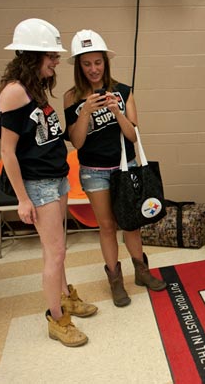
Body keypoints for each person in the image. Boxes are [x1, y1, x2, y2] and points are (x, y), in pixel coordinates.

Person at [0, 18, 97, 347]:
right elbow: (7, 152)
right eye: (51, 54)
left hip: (56, 177)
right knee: (55, 253)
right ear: (34, 54)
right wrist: (23, 199)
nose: (55, 60)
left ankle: (64, 296)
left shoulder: (35, 86)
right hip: (38, 185)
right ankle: (56, 318)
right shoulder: (14, 92)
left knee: (57, 251)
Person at [63, 29, 166, 308]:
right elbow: (77, 142)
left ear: (105, 63)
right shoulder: (71, 97)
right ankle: (115, 281)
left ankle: (142, 272)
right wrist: (84, 111)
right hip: (93, 170)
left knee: (130, 222)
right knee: (107, 226)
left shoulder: (123, 91)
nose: (93, 69)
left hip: (125, 166)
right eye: (87, 64)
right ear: (79, 66)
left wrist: (116, 110)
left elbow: (133, 136)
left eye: (98, 62)